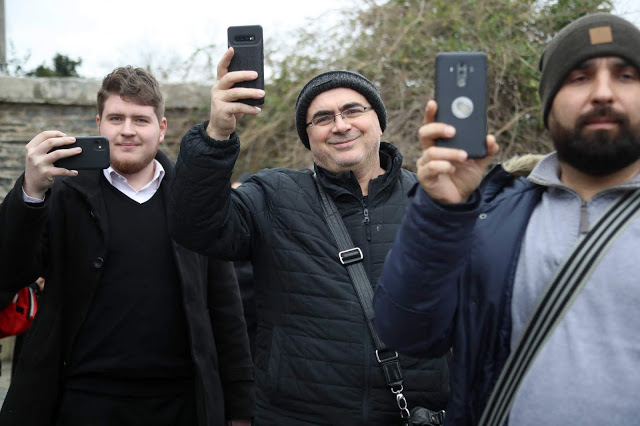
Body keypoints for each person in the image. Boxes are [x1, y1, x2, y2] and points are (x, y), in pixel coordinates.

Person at [373, 12, 640, 426]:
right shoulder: (492, 218)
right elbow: (407, 333)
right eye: (579, 77)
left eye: (626, 75)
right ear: (548, 103)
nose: (603, 92)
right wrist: (440, 211)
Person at [168, 48, 450, 425]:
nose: (340, 125)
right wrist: (217, 133)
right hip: (298, 415)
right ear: (309, 136)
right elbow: (193, 226)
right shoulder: (273, 195)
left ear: (378, 121)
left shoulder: (432, 199)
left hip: (412, 415)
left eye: (353, 110)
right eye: (322, 118)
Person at [0, 66, 254, 426]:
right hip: (83, 400)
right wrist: (30, 192)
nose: (128, 130)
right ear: (99, 124)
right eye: (116, 118)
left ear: (161, 128)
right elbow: (10, 271)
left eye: (141, 119)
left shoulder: (193, 200)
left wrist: (241, 408)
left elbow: (226, 308)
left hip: (181, 402)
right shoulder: (62, 192)